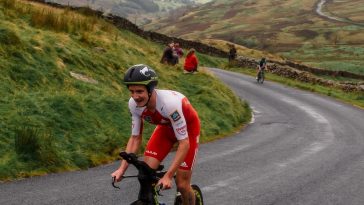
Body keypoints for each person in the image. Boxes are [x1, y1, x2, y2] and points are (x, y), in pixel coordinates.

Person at [111, 64, 201, 205]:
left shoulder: (169, 104)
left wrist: (168, 175)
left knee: (182, 184)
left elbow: (184, 143)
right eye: (132, 91)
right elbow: (135, 138)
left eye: (139, 91)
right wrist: (122, 169)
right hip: (165, 129)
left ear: (151, 89)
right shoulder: (133, 105)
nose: (135, 96)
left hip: (188, 131)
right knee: (145, 173)